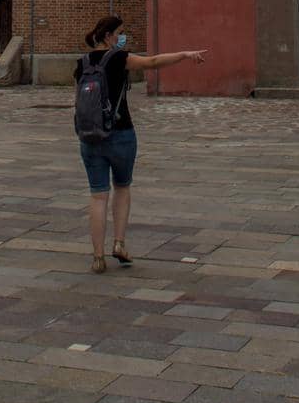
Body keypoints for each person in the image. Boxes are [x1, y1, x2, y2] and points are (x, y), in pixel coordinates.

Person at [75, 14, 207, 273]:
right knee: (122, 187)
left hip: (90, 136)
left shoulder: (81, 64)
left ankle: (97, 256)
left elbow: (80, 101)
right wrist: (185, 54)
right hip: (121, 133)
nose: (122, 38)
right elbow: (154, 62)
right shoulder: (120, 58)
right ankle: (119, 244)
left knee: (97, 196)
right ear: (108, 36)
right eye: (119, 33)